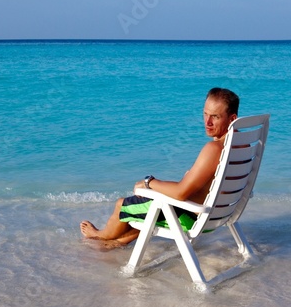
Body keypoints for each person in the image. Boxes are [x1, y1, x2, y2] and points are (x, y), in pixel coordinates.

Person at [80, 87, 239, 247]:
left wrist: (149, 182)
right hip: (219, 214)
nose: (207, 122)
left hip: (193, 218)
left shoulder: (215, 149)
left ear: (232, 119)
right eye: (205, 114)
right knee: (151, 204)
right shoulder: (241, 145)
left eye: (215, 117)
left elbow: (180, 193)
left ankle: (101, 237)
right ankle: (120, 241)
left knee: (123, 204)